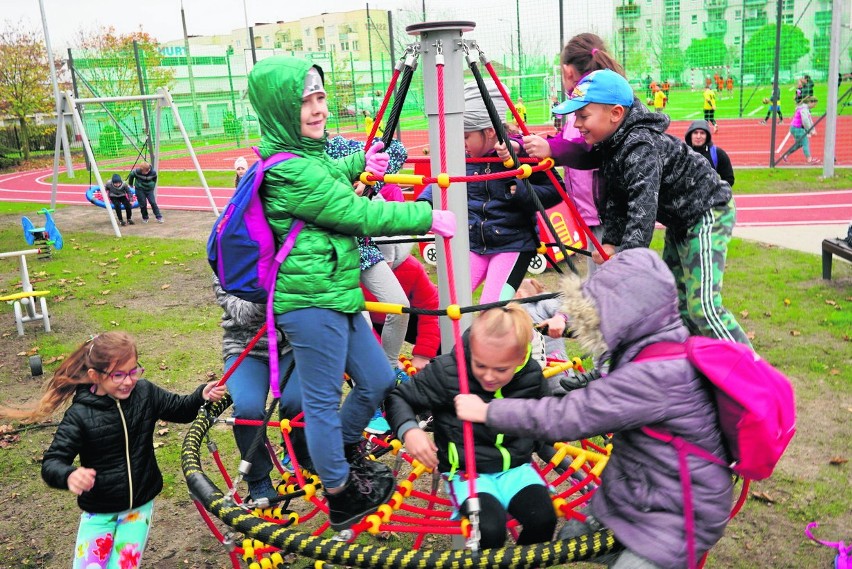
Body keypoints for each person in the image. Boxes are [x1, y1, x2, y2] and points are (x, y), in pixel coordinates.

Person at [247, 55, 454, 531]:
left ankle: (339, 452)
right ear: (281, 108)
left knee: (379, 378)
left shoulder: (304, 156)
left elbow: (331, 171)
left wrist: (365, 160)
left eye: (320, 96)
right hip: (310, 302)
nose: (318, 108)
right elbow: (356, 213)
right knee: (320, 399)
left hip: (335, 290)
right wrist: (426, 218)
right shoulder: (287, 170)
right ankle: (341, 493)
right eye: (305, 101)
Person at [455, 248, 734, 569]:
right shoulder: (658, 344)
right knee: (572, 537)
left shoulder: (654, 376)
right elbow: (602, 382)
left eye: (600, 312)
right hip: (642, 491)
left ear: (625, 314)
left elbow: (568, 418)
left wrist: (488, 411)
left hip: (680, 514)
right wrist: (558, 386)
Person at [545, 69, 750, 346]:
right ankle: (700, 369)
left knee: (703, 307)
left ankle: (751, 375)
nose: (578, 124)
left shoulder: (640, 145)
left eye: (583, 116)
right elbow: (619, 199)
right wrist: (613, 241)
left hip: (707, 212)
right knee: (677, 305)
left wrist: (628, 264)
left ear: (616, 114)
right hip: (681, 221)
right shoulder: (613, 146)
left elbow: (643, 209)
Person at [0, 332, 226, 569]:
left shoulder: (145, 393)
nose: (128, 381)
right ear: (94, 376)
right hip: (98, 512)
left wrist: (201, 395)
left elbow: (180, 409)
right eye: (118, 375)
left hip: (138, 508)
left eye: (133, 371)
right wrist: (69, 475)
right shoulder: (80, 416)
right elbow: (52, 462)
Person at [386, 304, 557, 549]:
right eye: (480, 366)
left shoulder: (530, 375)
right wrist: (409, 430)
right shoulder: (449, 371)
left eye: (501, 369)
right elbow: (398, 397)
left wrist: (545, 444)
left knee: (543, 519)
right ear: (472, 350)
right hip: (468, 473)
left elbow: (543, 416)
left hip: (516, 468)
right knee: (489, 529)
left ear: (520, 358)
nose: (488, 376)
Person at [419, 79, 563, 304]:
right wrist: (425, 203)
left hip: (513, 244)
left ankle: (531, 338)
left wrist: (520, 190)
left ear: (489, 132)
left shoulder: (519, 153)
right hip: (475, 244)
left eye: (466, 136)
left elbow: (556, 191)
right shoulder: (462, 157)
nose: (461, 143)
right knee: (449, 303)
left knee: (492, 309)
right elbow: (442, 181)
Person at [500, 33, 624, 276]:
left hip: (606, 213)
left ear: (567, 71)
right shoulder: (583, 103)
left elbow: (590, 151)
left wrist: (551, 150)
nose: (579, 122)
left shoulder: (596, 101)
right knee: (600, 284)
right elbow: (567, 142)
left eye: (583, 118)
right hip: (594, 211)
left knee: (609, 286)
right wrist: (523, 146)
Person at [213, 276, 310, 500]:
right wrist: (274, 285)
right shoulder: (225, 267)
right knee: (248, 409)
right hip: (245, 350)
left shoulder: (287, 254)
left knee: (297, 402)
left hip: (288, 348)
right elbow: (243, 313)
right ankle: (258, 477)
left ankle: (300, 454)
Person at [513, 277, 571, 393]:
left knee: (562, 392)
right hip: (534, 367)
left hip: (555, 363)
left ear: (518, 294)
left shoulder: (542, 301)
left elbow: (563, 307)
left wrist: (559, 318)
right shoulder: (517, 312)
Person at [684, 120, 735, 187]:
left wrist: (716, 192)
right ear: (690, 135)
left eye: (702, 133)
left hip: (710, 196)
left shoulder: (718, 153)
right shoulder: (682, 153)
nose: (698, 136)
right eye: (695, 133)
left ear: (707, 136)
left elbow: (729, 179)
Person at [784, 96, 820, 164]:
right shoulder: (804, 109)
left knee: (799, 144)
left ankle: (785, 155)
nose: (815, 106)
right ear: (810, 102)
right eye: (814, 104)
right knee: (805, 142)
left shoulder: (805, 109)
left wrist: (813, 129)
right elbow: (805, 121)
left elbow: (810, 120)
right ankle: (809, 159)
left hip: (796, 128)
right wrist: (811, 131)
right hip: (797, 128)